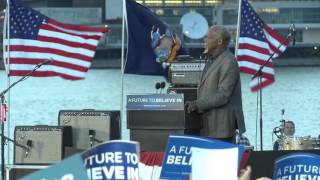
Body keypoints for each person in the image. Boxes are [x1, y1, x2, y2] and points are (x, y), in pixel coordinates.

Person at [185, 25, 246, 143]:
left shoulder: (229, 61)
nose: (205, 40)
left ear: (219, 41)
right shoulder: (212, 59)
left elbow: (223, 95)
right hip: (208, 126)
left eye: (209, 37)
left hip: (221, 128)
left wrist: (197, 104)